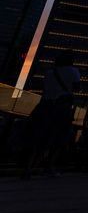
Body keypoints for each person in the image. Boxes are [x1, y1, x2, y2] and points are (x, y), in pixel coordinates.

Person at [22, 49, 81, 179]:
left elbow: (45, 90)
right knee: (59, 137)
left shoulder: (49, 73)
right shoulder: (73, 71)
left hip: (45, 107)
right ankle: (48, 166)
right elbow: (77, 88)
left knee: (39, 136)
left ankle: (28, 168)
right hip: (62, 107)